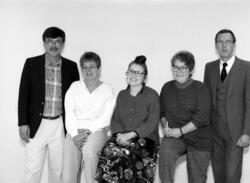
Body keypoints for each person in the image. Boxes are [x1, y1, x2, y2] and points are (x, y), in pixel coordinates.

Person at [18, 27, 79, 183]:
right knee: (33, 169)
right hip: (36, 124)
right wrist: (23, 123)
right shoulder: (31, 63)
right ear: (44, 43)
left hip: (60, 124)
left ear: (63, 44)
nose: (53, 45)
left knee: (58, 170)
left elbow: (75, 99)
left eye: (58, 41)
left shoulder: (71, 67)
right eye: (49, 41)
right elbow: (23, 95)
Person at [95, 55, 160, 183]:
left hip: (145, 139)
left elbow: (152, 122)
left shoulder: (152, 95)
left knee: (129, 154)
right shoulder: (122, 94)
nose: (133, 75)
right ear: (127, 73)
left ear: (144, 77)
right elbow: (115, 119)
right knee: (108, 151)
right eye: (131, 71)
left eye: (138, 73)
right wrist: (119, 135)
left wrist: (131, 135)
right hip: (122, 136)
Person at [203, 29, 250, 183]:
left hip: (236, 134)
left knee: (232, 177)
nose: (224, 45)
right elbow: (207, 101)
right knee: (218, 176)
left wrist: (247, 132)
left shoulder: (247, 67)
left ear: (234, 45)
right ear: (216, 45)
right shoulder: (209, 67)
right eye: (220, 42)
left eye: (228, 42)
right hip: (214, 134)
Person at [62, 52, 115, 183]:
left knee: (89, 152)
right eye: (85, 67)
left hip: (97, 130)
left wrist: (87, 131)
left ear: (99, 68)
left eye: (92, 67)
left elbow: (107, 117)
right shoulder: (74, 87)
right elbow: (69, 113)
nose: (88, 70)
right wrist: (74, 134)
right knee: (68, 171)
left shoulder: (107, 89)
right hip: (74, 131)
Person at [159, 51, 212, 183]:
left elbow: (202, 116)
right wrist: (165, 126)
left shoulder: (200, 88)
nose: (178, 71)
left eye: (183, 67)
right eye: (175, 67)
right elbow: (162, 113)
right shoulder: (167, 87)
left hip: (199, 139)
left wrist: (181, 131)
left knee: (197, 178)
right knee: (165, 153)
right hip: (175, 137)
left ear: (191, 69)